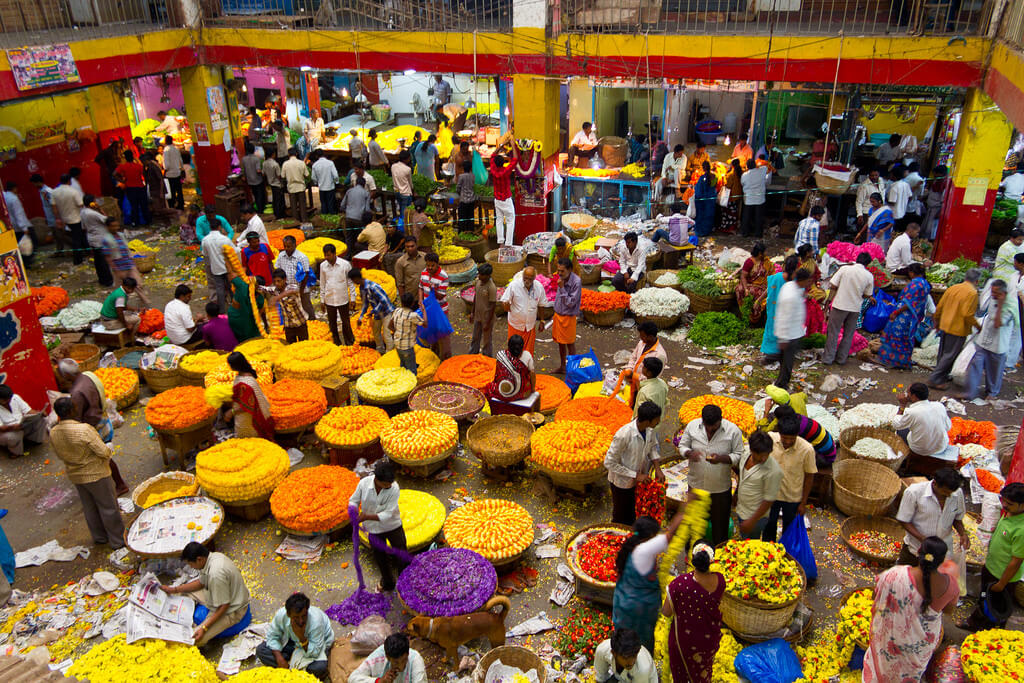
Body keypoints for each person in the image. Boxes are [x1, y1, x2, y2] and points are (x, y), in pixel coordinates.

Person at [863, 537, 957, 682]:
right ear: (941, 560)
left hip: (890, 642)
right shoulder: (951, 585)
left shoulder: (895, 574)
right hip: (920, 647)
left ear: (918, 552)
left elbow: (875, 595)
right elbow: (949, 611)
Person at [49, 397, 125, 549]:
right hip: (96, 474)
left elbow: (59, 454)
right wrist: (109, 446)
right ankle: (118, 540)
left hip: (76, 475)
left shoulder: (54, 432)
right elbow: (103, 452)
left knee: (89, 507)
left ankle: (100, 537)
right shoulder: (84, 430)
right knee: (108, 507)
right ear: (72, 411)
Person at [613, 506, 688, 653]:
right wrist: (686, 508)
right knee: (637, 647)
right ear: (649, 537)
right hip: (636, 611)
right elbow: (670, 534)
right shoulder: (643, 551)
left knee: (624, 643)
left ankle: (624, 663)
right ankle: (636, 668)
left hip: (624, 606)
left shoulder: (632, 545)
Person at [161, 542, 251, 647]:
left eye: (191, 564)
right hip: (219, 594)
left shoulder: (215, 574)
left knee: (194, 639)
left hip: (232, 610)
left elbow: (224, 606)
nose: (191, 567)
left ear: (199, 559)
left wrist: (204, 628)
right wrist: (174, 590)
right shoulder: (213, 557)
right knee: (181, 593)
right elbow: (201, 582)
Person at [679, 404, 744, 546]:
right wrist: (690, 453)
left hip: (719, 490)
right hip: (696, 486)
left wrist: (722, 459)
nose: (709, 430)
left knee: (720, 527)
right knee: (694, 525)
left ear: (720, 420)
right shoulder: (692, 426)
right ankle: (693, 555)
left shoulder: (732, 431)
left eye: (713, 427)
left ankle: (718, 554)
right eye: (707, 427)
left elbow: (739, 455)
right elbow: (682, 446)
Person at [963, 482, 1024, 630]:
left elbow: (1016, 561)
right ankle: (976, 623)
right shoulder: (1009, 513)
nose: (1004, 505)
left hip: (1004, 577)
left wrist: (1002, 583)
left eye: (1009, 503)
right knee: (984, 598)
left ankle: (992, 632)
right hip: (991, 568)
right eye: (1003, 500)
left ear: (1022, 505)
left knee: (997, 606)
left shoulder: (1021, 529)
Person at [661, 542, 725, 683]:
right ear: (711, 560)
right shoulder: (720, 580)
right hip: (709, 639)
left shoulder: (678, 584)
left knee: (681, 674)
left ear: (692, 559)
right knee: (703, 671)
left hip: (683, 641)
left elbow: (666, 612)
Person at [350, 460, 407, 592]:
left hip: (392, 525)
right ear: (376, 479)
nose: (388, 486)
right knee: (380, 556)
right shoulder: (364, 484)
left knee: (401, 553)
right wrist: (352, 511)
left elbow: (387, 514)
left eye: (390, 483)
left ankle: (404, 581)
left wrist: (365, 517)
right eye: (385, 484)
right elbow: (354, 500)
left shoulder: (394, 488)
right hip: (374, 529)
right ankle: (387, 582)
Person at [605, 401, 665, 525]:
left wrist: (657, 467)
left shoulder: (650, 430)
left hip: (639, 479)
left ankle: (632, 531)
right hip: (622, 483)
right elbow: (609, 462)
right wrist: (636, 475)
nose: (658, 422)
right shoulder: (623, 435)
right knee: (621, 514)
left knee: (634, 510)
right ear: (647, 421)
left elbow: (652, 447)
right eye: (656, 420)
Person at [896, 468, 967, 567]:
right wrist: (922, 539)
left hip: (942, 552)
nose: (948, 496)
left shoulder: (957, 493)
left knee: (932, 580)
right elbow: (903, 520)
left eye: (950, 494)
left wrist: (963, 534)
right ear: (935, 484)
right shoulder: (914, 492)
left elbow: (957, 518)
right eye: (944, 493)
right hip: (915, 549)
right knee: (907, 578)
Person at [256, 593, 333, 681]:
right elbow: (272, 636)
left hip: (314, 645)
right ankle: (290, 665)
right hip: (292, 642)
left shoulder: (315, 622)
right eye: (296, 617)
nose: (301, 621)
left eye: (304, 616)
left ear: (307, 610)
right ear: (288, 614)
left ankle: (292, 667)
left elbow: (315, 652)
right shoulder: (281, 615)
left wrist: (301, 637)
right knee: (261, 650)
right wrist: (279, 658)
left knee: (319, 667)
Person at [762, 417, 816, 542]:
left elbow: (809, 477)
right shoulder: (770, 439)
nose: (787, 441)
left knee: (789, 529)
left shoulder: (807, 450)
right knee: (769, 525)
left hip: (792, 498)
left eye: (792, 439)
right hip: (771, 494)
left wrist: (803, 503)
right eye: (784, 438)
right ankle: (768, 551)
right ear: (779, 434)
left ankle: (786, 553)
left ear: (797, 435)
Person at [961, 279, 1015, 400]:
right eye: (992, 291)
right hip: (983, 341)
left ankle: (992, 393)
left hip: (998, 345)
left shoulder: (1010, 306)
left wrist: (1001, 305)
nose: (992, 294)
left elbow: (998, 323)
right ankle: (970, 392)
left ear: (1003, 293)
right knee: (975, 365)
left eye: (995, 293)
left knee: (994, 371)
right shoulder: (992, 300)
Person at [927, 268, 981, 388]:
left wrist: (937, 321)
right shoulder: (972, 293)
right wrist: (978, 326)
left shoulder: (953, 288)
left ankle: (941, 376)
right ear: (977, 281)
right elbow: (967, 314)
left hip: (945, 325)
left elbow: (939, 306)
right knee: (950, 355)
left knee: (943, 353)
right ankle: (935, 379)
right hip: (958, 328)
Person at [874, 262, 931, 370]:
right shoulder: (925, 284)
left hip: (904, 315)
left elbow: (909, 303)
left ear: (912, 273)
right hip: (914, 316)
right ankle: (903, 360)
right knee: (907, 337)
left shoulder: (915, 284)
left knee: (897, 335)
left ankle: (893, 360)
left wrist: (896, 312)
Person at [822, 253, 875, 365]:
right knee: (849, 334)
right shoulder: (869, 276)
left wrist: (827, 303)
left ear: (857, 259)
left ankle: (828, 358)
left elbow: (833, 285)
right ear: (868, 263)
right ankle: (841, 359)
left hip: (840, 305)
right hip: (855, 308)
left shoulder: (845, 269)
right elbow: (867, 294)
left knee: (833, 332)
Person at [734, 430, 783, 539]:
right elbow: (741, 474)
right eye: (759, 455)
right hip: (742, 508)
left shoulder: (774, 471)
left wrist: (752, 521)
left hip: (756, 517)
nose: (763, 459)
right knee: (744, 539)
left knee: (751, 542)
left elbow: (769, 499)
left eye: (766, 455)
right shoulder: (745, 453)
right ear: (751, 450)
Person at [774, 268, 811, 391]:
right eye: (808, 281)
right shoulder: (791, 296)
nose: (809, 283)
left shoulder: (791, 286)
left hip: (793, 332)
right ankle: (781, 385)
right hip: (789, 334)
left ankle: (779, 378)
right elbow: (785, 316)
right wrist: (783, 338)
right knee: (787, 362)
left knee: (785, 360)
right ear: (803, 280)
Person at [224, 351, 274, 439]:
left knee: (249, 439)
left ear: (235, 366)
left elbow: (245, 406)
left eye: (230, 365)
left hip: (250, 418)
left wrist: (230, 412)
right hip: (258, 411)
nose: (230, 367)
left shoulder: (245, 385)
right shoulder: (247, 373)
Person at [759, 254, 800, 360]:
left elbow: (769, 290)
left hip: (774, 312)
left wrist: (758, 301)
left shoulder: (777, 277)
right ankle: (782, 353)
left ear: (785, 265)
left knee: (772, 328)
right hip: (789, 314)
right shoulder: (796, 281)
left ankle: (771, 352)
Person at [548, 257, 582, 373]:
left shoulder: (576, 282)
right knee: (560, 343)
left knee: (570, 343)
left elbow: (570, 303)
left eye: (562, 271)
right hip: (558, 315)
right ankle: (563, 367)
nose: (559, 273)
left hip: (568, 317)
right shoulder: (561, 278)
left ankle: (573, 369)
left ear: (570, 270)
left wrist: (562, 288)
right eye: (558, 270)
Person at [348, 632, 426, 683]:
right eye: (396, 662)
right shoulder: (380, 655)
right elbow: (353, 678)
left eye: (404, 660)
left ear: (408, 654)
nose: (401, 666)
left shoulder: (415, 660)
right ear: (388, 657)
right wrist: (379, 681)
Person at [500, 266, 545, 354]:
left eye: (530, 279)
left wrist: (542, 320)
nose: (527, 281)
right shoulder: (514, 285)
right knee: (514, 352)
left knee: (528, 353)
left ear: (534, 278)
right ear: (522, 276)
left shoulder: (539, 287)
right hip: (515, 325)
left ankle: (526, 367)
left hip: (530, 327)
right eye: (525, 278)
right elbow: (505, 301)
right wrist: (506, 306)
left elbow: (541, 304)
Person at [486, 333, 537, 409]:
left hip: (502, 392)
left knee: (488, 386)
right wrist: (532, 389)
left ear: (508, 346)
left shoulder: (501, 355)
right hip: (523, 393)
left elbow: (498, 373)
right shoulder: (527, 355)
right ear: (522, 346)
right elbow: (532, 374)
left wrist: (496, 383)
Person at [352, 268, 396, 352]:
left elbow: (383, 300)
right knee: (376, 331)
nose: (353, 282)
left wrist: (373, 311)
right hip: (377, 312)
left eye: (353, 280)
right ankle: (380, 349)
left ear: (357, 278)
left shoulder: (373, 286)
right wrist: (361, 317)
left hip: (386, 311)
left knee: (387, 334)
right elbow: (365, 304)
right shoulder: (362, 288)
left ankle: (389, 352)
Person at [319, 243, 355, 345]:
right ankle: (336, 342)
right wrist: (322, 300)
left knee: (346, 322)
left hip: (342, 298)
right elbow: (322, 283)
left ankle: (349, 342)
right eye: (325, 255)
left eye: (328, 255)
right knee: (332, 323)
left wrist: (353, 298)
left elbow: (350, 282)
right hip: (329, 299)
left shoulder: (345, 265)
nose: (326, 257)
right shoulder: (323, 266)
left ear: (335, 254)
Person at [419, 252, 452, 360]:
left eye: (432, 265)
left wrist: (434, 290)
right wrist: (420, 300)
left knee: (443, 334)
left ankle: (446, 357)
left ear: (437, 264)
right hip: (427, 309)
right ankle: (434, 355)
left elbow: (441, 296)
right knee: (431, 332)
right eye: (428, 265)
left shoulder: (443, 276)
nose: (429, 268)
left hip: (440, 310)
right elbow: (420, 287)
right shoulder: (424, 272)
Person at [275, 235, 316, 320]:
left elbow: (306, 274)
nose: (286, 248)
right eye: (285, 246)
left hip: (301, 289)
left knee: (306, 307)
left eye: (289, 246)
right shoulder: (281, 255)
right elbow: (278, 271)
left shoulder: (301, 257)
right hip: (287, 289)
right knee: (292, 310)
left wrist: (301, 290)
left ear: (295, 245)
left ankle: (312, 323)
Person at [0, 385, 45, 458]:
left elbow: (29, 411)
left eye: (9, 400)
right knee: (13, 436)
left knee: (42, 420)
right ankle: (15, 452)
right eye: (5, 401)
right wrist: (12, 427)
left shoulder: (15, 398)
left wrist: (39, 413)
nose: (8, 402)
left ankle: (34, 441)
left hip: (21, 426)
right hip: (6, 432)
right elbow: (1, 428)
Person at [51, 174, 86, 264]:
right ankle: (78, 259)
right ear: (69, 181)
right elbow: (80, 204)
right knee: (77, 239)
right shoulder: (73, 191)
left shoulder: (54, 192)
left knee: (74, 237)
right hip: (75, 218)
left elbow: (54, 207)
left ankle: (81, 254)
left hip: (63, 218)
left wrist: (58, 219)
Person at [78, 196, 113, 286]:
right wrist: (100, 209)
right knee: (103, 262)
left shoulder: (83, 212)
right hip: (99, 239)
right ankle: (108, 281)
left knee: (98, 261)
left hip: (91, 238)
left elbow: (83, 227)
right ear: (91, 203)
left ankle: (102, 279)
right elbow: (108, 220)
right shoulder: (93, 214)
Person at [270, 268, 309, 343]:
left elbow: (292, 291)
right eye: (275, 281)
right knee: (290, 348)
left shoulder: (292, 287)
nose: (276, 283)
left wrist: (277, 298)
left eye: (279, 281)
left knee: (304, 346)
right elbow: (263, 288)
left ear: (285, 280)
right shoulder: (275, 290)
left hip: (300, 323)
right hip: (288, 325)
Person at [202, 222, 234, 312]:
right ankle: (235, 305)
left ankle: (222, 310)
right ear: (219, 227)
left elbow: (205, 255)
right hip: (227, 268)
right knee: (231, 287)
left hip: (215, 268)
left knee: (219, 289)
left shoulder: (205, 240)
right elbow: (233, 251)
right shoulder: (224, 239)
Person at [389, 293, 423, 375]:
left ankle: (402, 383)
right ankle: (412, 386)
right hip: (407, 347)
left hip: (397, 344)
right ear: (412, 304)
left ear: (402, 303)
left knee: (403, 366)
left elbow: (390, 326)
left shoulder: (397, 310)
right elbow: (425, 324)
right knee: (412, 371)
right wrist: (424, 310)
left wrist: (398, 332)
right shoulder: (413, 315)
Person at [115, 150, 150, 227]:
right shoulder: (138, 166)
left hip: (130, 188)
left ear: (125, 158)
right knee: (143, 205)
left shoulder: (122, 166)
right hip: (140, 187)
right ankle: (147, 221)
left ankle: (136, 222)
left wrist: (122, 181)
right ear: (132, 157)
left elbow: (114, 174)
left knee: (134, 206)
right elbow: (145, 174)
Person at [227, 273, 265, 343]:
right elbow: (260, 313)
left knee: (242, 341)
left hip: (238, 320)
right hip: (248, 323)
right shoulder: (260, 298)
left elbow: (231, 275)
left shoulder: (242, 286)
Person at [490, 149, 517, 246]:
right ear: (503, 163)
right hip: (506, 200)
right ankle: (508, 243)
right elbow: (515, 160)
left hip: (497, 200)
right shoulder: (506, 171)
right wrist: (513, 144)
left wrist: (499, 147)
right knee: (510, 220)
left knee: (499, 220)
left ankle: (501, 242)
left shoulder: (493, 170)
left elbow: (492, 155)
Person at [469, 263, 497, 357]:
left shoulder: (491, 287)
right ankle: (472, 354)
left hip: (486, 318)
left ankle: (487, 357)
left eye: (481, 274)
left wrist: (487, 322)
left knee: (487, 341)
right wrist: (472, 312)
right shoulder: (478, 282)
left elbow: (492, 306)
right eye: (479, 273)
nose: (479, 276)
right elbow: (475, 297)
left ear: (488, 276)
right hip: (478, 316)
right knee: (475, 337)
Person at [340, 176, 372, 257]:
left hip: (348, 217)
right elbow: (367, 209)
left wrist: (348, 211)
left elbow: (342, 205)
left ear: (356, 183)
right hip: (359, 218)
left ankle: (348, 255)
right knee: (359, 238)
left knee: (349, 237)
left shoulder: (349, 191)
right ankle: (359, 255)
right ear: (364, 185)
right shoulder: (366, 193)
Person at [735, 242, 772, 309]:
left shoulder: (765, 261)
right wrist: (746, 289)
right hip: (749, 284)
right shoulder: (749, 262)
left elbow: (770, 272)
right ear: (760, 254)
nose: (766, 253)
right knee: (740, 289)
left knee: (757, 292)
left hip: (762, 285)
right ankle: (744, 309)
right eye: (764, 252)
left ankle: (756, 311)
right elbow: (743, 276)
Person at [740, 159, 768, 237]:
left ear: (747, 167)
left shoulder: (744, 175)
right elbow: (766, 165)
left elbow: (742, 183)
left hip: (749, 199)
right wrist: (759, 165)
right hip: (759, 199)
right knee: (758, 217)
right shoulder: (762, 171)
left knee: (747, 217)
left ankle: (745, 232)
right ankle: (758, 233)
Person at [691, 161, 717, 238]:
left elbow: (698, 190)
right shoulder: (714, 177)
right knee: (709, 216)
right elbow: (714, 187)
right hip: (711, 200)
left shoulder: (702, 178)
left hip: (702, 201)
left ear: (703, 168)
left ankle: (701, 231)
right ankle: (708, 230)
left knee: (701, 216)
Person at [282, 148, 309, 222]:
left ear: (288, 154)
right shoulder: (301, 163)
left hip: (291, 188)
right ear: (296, 154)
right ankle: (304, 221)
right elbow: (307, 174)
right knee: (302, 206)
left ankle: (296, 222)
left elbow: (283, 176)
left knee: (293, 207)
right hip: (300, 187)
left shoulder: (285, 164)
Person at [309, 151, 338, 215]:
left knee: (323, 203)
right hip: (330, 187)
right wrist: (336, 182)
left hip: (321, 188)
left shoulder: (315, 165)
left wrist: (316, 183)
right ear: (324, 155)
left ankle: (324, 217)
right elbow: (335, 175)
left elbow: (313, 177)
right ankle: (332, 216)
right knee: (331, 203)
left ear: (317, 156)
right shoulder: (330, 163)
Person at [888, 166, 913, 231]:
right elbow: (910, 197)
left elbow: (892, 202)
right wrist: (904, 203)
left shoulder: (894, 187)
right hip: (903, 212)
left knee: (893, 231)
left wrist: (885, 200)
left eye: (891, 174)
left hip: (894, 214)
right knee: (899, 230)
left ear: (894, 176)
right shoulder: (906, 184)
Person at [163, 136, 184, 211]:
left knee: (171, 190)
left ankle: (172, 205)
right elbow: (180, 160)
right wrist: (181, 168)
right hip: (177, 172)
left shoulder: (166, 150)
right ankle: (181, 205)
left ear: (166, 141)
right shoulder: (176, 149)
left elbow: (166, 164)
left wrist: (165, 170)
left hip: (170, 174)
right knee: (179, 190)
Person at [263, 151, 286, 219]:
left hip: (271, 183)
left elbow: (263, 174)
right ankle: (280, 215)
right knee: (279, 200)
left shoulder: (264, 163)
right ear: (273, 154)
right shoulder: (275, 164)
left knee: (275, 199)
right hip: (277, 184)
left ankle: (276, 214)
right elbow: (279, 175)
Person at [455, 160, 476, 232]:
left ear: (463, 168)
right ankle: (470, 231)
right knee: (470, 217)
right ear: (470, 168)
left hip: (463, 200)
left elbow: (458, 188)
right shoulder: (473, 176)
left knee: (462, 217)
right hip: (471, 200)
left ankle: (462, 232)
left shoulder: (461, 176)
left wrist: (459, 194)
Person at [392, 150, 414, 218]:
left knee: (401, 208)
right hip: (405, 193)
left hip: (397, 191)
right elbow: (410, 183)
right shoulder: (407, 169)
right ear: (407, 159)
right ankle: (402, 226)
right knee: (405, 213)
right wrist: (413, 191)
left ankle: (401, 223)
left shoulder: (393, 166)